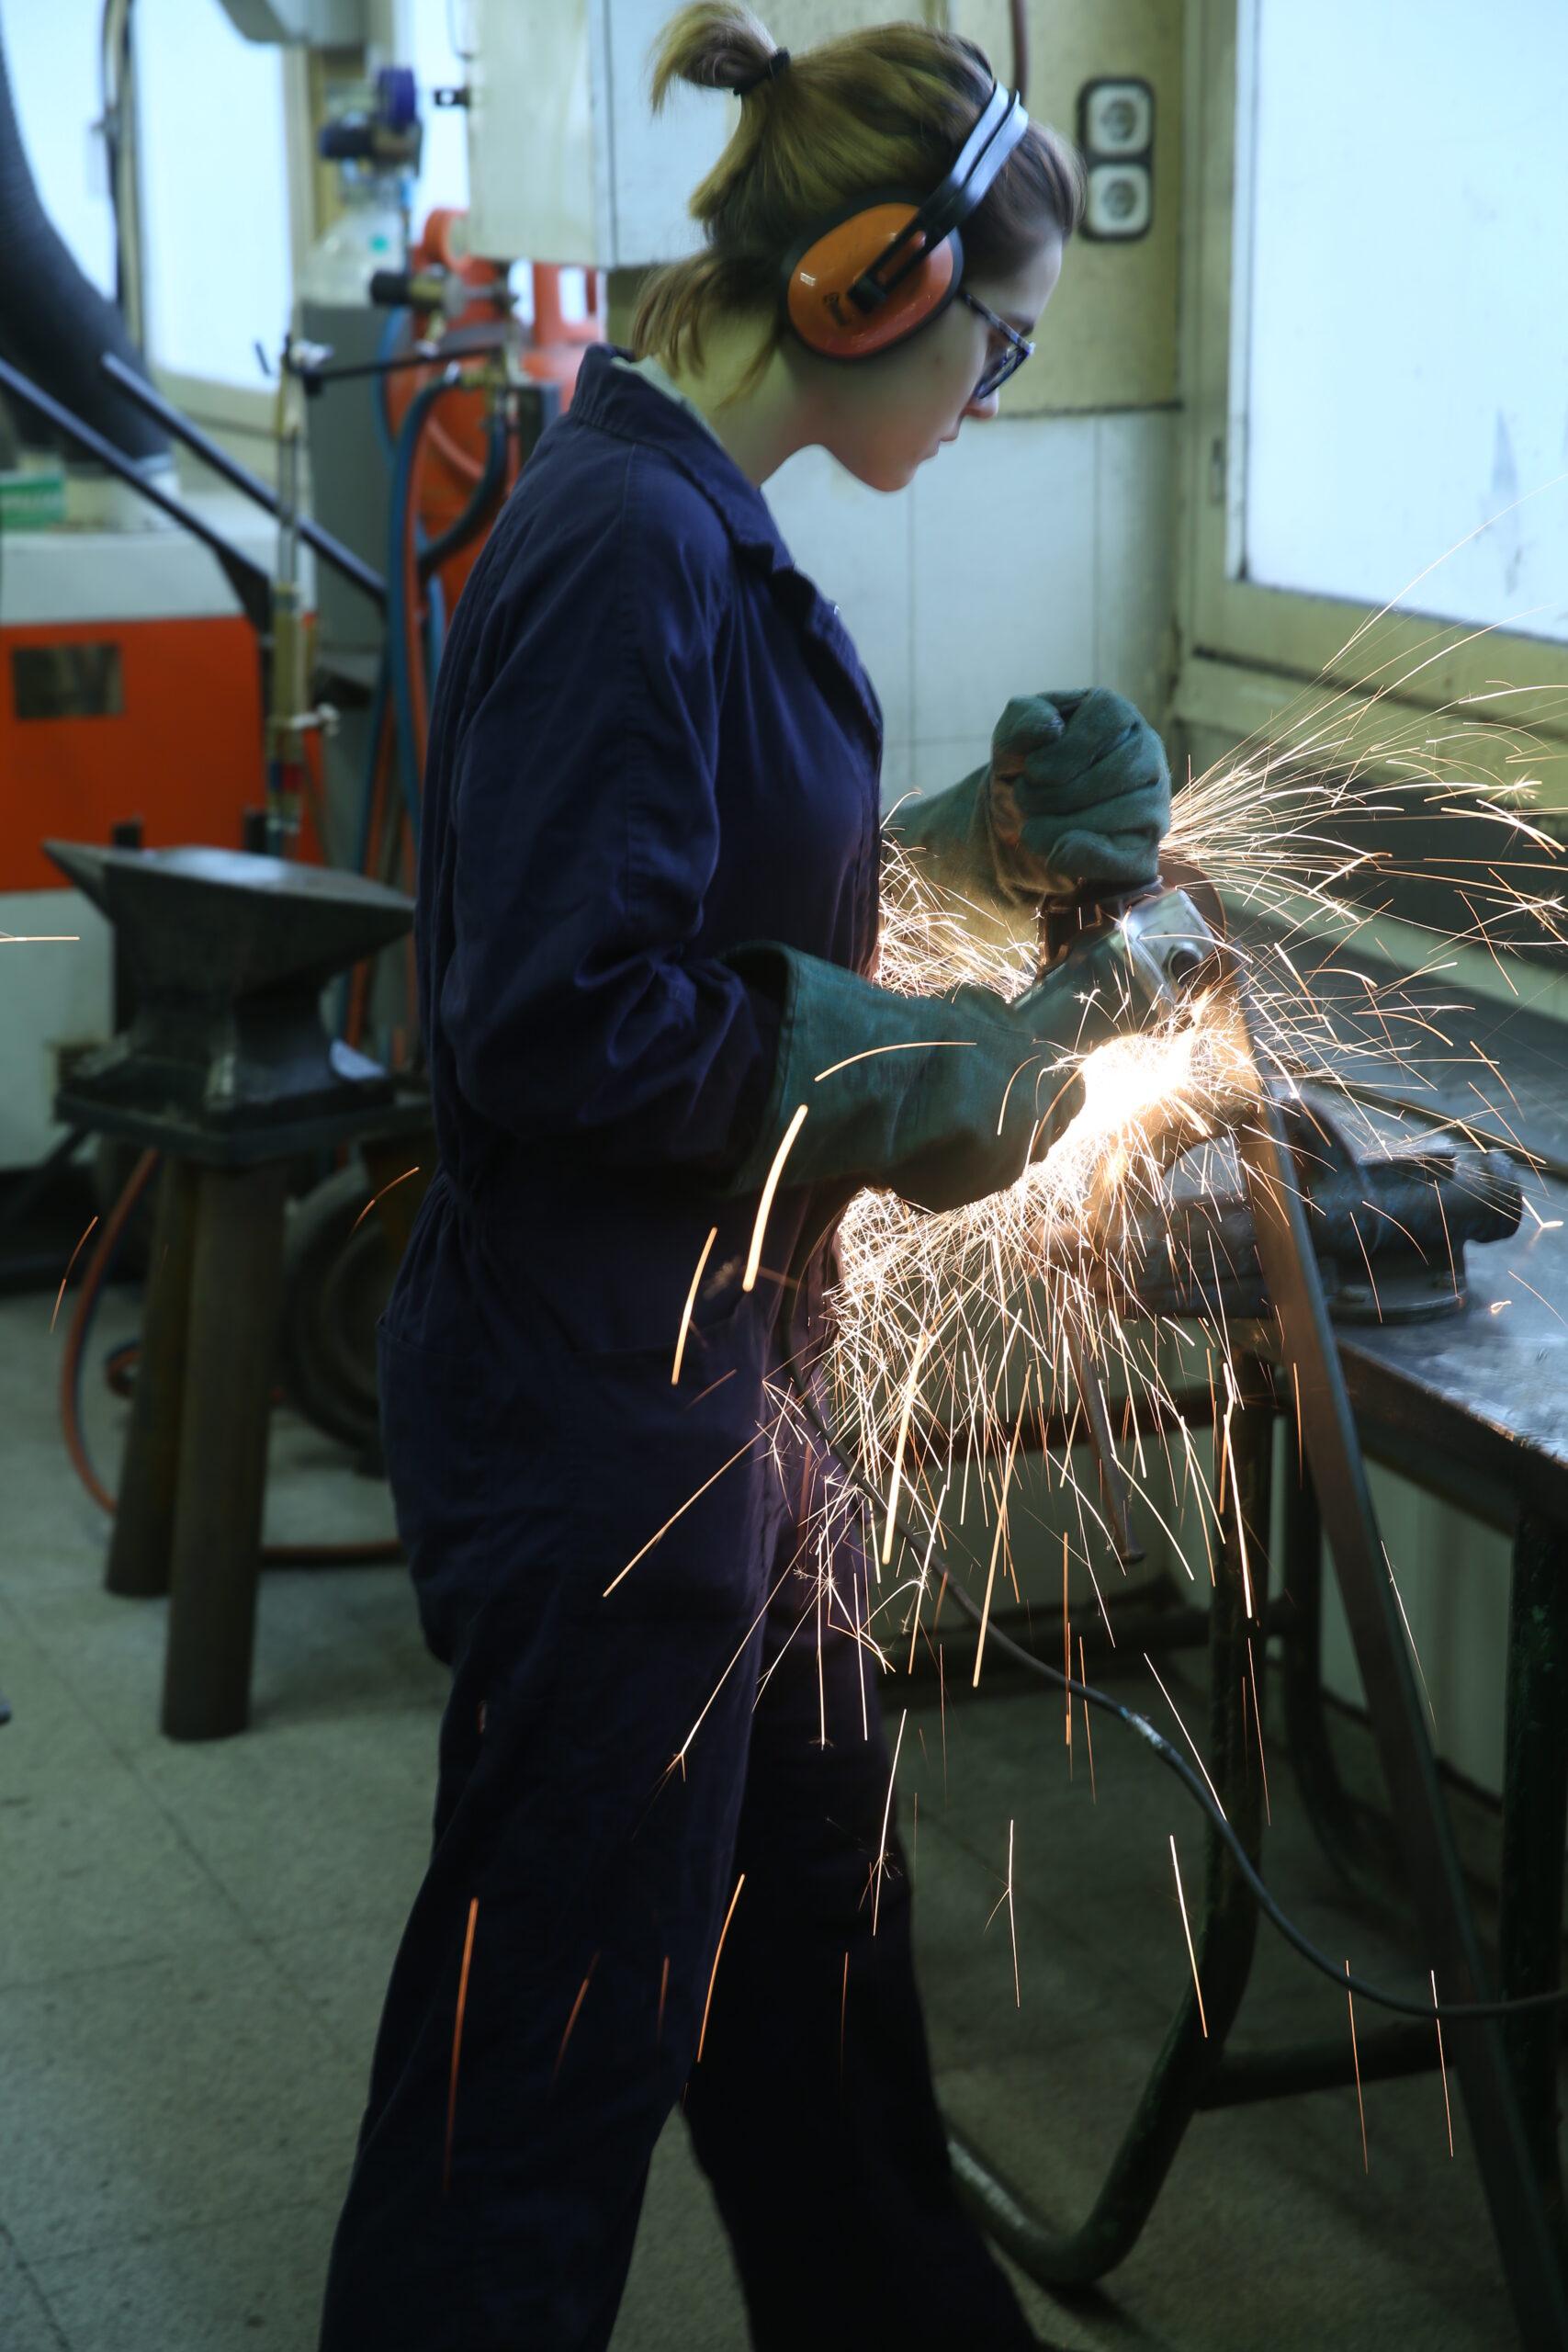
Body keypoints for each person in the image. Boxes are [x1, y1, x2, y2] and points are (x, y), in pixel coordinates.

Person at [318, 8, 1172, 2349]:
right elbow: (562, 1017)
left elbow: (706, 894)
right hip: (609, 1422)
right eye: (999, 344)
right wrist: (934, 1073)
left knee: (811, 1973)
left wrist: (972, 853)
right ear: (875, 285)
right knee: (544, 2077)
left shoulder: (687, 515)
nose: (989, 395)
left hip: (725, 1403)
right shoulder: (629, 541)